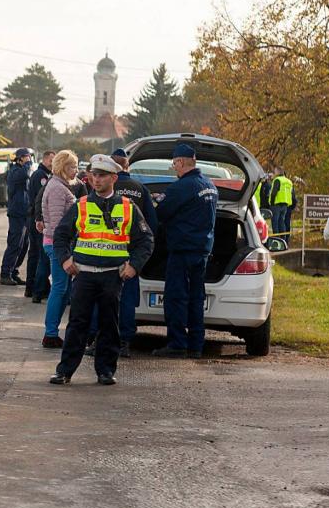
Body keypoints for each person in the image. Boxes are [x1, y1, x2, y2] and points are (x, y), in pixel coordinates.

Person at [49, 154, 153, 385]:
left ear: (114, 178)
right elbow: (61, 235)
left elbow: (146, 240)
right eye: (93, 175)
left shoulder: (128, 207)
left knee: (109, 324)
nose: (96, 180)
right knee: (77, 324)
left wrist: (134, 266)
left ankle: (105, 371)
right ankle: (64, 371)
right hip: (84, 274)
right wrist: (65, 260)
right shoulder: (81, 205)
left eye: (102, 176)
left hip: (112, 276)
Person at [153, 143, 218, 359]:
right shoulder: (209, 185)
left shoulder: (181, 187)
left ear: (180, 162)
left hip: (182, 251)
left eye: (174, 164)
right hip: (202, 251)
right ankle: (196, 346)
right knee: (196, 298)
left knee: (176, 297)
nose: (174, 168)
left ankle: (177, 344)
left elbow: (160, 214)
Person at [110, 148, 158, 358]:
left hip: (105, 252)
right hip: (130, 255)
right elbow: (151, 224)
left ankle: (98, 340)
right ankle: (124, 341)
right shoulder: (140, 189)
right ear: (127, 166)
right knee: (127, 300)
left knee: (103, 299)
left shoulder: (105, 187)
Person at [41, 150, 81, 348]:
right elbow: (57, 225)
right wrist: (64, 252)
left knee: (62, 289)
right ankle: (50, 333)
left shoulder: (59, 185)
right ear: (62, 167)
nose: (76, 170)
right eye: (73, 166)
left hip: (59, 245)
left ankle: (52, 332)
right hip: (57, 246)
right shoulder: (57, 188)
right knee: (59, 288)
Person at [0, 148, 34, 286]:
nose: (29, 160)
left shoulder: (23, 170)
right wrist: (27, 164)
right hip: (16, 213)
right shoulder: (15, 171)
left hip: (25, 213)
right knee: (15, 244)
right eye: (26, 157)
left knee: (24, 245)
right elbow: (24, 174)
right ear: (19, 158)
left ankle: (14, 272)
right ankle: (5, 273)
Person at [26, 150, 54, 302]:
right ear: (44, 160)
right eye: (51, 160)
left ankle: (34, 288)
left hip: (37, 218)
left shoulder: (45, 175)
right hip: (37, 219)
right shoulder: (40, 176)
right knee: (37, 254)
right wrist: (40, 219)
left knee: (36, 254)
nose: (52, 163)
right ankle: (34, 288)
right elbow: (39, 199)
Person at [271, 167, 293, 237]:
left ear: (277, 172)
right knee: (281, 222)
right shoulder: (289, 181)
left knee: (275, 222)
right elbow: (291, 193)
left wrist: (271, 203)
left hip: (277, 204)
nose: (274, 173)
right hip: (285, 205)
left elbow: (274, 192)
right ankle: (283, 238)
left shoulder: (277, 180)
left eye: (274, 172)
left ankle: (276, 239)